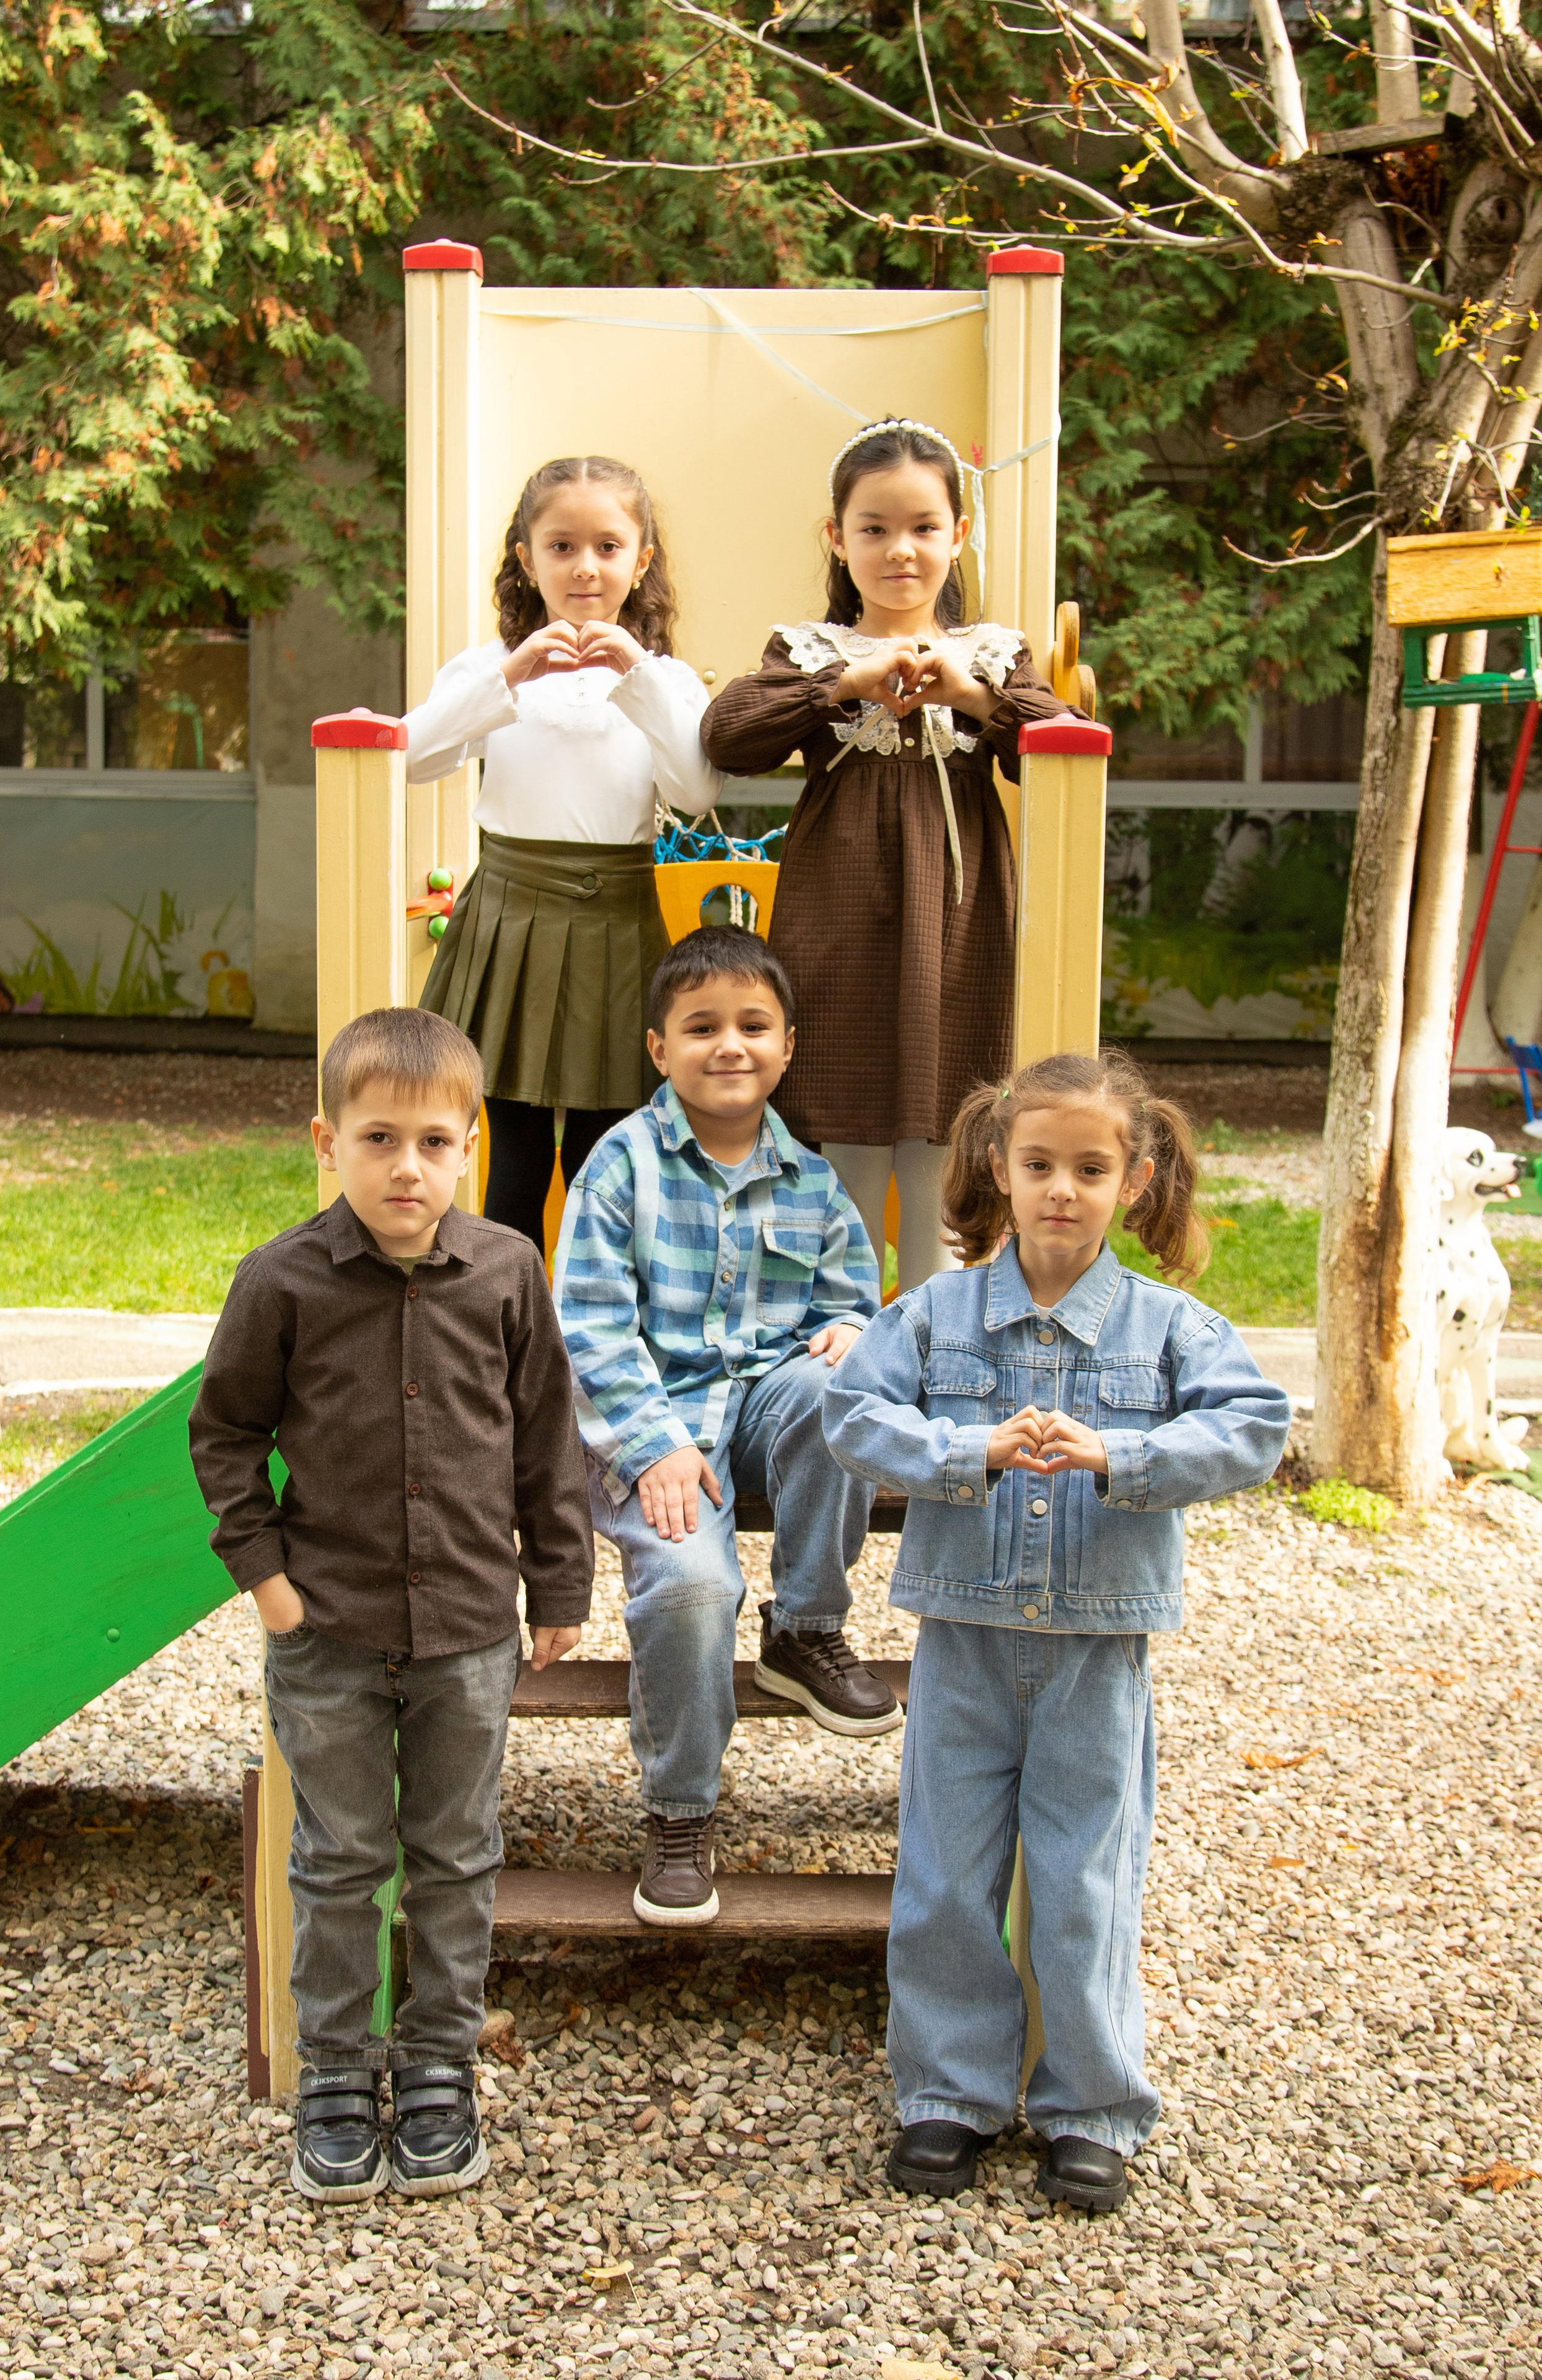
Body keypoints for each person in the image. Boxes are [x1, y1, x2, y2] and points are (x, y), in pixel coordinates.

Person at [823, 1050, 1291, 2205]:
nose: (1062, 1190)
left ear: (1134, 1180)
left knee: (1087, 1881)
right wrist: (964, 1449)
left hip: (1097, 1653)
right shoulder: (936, 1312)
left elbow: (1255, 1425)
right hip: (964, 1641)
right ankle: (948, 2095)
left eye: (1091, 1168)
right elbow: (851, 1412)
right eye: (1040, 1165)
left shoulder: (1168, 1326)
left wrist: (1125, 1454)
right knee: (945, 1875)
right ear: (1001, 1165)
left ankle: (1091, 2106)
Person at [188, 1008, 593, 2202]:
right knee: (340, 1856)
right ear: (329, 1142)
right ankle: (335, 2068)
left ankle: (436, 2066)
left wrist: (559, 1579)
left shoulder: (509, 1271)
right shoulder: (281, 1281)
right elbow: (225, 1433)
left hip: (468, 1627)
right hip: (328, 1629)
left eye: (432, 1141)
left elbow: (545, 1436)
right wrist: (266, 1579)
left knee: (457, 1854)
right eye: (377, 1139)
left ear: (470, 1145)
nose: (406, 1167)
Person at [552, 924, 895, 1928]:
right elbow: (590, 1326)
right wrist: (652, 1444)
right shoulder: (620, 1168)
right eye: (702, 1027)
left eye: (753, 1025)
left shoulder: (812, 1180)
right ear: (660, 1048)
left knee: (841, 1389)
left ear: (787, 1046)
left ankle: (806, 1627)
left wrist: (849, 1329)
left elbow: (851, 1296)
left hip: (764, 1410)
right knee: (693, 1586)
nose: (730, 1044)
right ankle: (679, 1812)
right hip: (655, 1422)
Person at [700, 417, 1082, 1294]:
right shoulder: (811, 652)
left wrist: (973, 697)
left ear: (959, 534)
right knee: (844, 1142)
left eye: (922, 527)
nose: (899, 549)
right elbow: (727, 734)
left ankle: (937, 1340)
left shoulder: (993, 654)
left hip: (958, 929)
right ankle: (843, 1341)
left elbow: (1068, 743)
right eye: (873, 528)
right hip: (839, 925)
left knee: (950, 1137)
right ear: (838, 538)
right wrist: (846, 683)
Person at [406, 454, 721, 1254]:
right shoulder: (488, 667)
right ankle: (500, 1316)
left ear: (641, 561)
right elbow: (410, 756)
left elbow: (695, 791)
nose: (585, 567)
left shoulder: (667, 679)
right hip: (509, 920)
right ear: (527, 558)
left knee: (599, 1157)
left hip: (618, 924)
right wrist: (508, 677)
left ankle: (592, 1321)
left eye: (608, 547)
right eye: (562, 546)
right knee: (512, 1157)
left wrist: (638, 677)